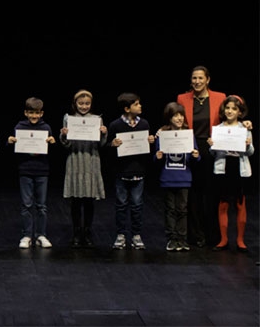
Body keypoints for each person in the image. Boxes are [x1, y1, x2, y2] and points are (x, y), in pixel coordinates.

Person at [176, 65, 253, 248]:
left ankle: (214, 235)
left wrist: (245, 125)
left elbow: (232, 116)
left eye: (201, 78)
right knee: (193, 194)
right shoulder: (182, 98)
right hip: (192, 147)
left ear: (208, 80)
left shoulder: (219, 97)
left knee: (212, 194)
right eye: (194, 78)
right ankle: (195, 235)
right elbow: (176, 119)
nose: (197, 82)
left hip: (214, 148)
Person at [58, 89, 107, 248]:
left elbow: (101, 144)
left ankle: (87, 232)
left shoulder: (96, 119)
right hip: (75, 160)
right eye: (81, 103)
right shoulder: (69, 119)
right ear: (75, 104)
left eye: (87, 103)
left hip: (91, 161)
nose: (84, 106)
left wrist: (104, 133)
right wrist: (64, 135)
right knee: (76, 200)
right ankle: (76, 232)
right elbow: (66, 144)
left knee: (89, 200)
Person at [107, 92, 155, 250]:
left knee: (137, 205)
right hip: (122, 172)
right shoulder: (115, 125)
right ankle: (121, 235)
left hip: (139, 171)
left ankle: (136, 235)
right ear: (127, 108)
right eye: (136, 104)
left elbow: (146, 150)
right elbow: (108, 149)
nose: (140, 106)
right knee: (121, 205)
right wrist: (112, 145)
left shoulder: (144, 124)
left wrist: (150, 142)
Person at [7, 97, 56, 249]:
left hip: (42, 170)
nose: (34, 116)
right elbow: (12, 147)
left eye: (37, 113)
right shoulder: (20, 126)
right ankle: (27, 235)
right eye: (31, 113)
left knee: (41, 206)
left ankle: (41, 235)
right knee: (26, 205)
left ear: (41, 113)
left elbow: (50, 151)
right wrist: (10, 142)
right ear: (25, 113)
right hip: (25, 170)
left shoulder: (46, 127)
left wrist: (52, 143)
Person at [208, 95, 254, 252]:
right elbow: (214, 154)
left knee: (240, 204)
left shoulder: (244, 129)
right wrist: (212, 145)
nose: (230, 111)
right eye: (227, 108)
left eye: (234, 109)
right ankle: (224, 240)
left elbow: (251, 152)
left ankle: (240, 240)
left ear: (240, 112)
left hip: (239, 169)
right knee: (223, 205)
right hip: (224, 168)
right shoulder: (219, 129)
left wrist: (248, 145)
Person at [153, 101, 199, 252]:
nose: (179, 118)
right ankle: (172, 239)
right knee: (170, 210)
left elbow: (196, 158)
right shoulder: (163, 135)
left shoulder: (188, 135)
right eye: (175, 116)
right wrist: (158, 156)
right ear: (169, 118)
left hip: (184, 178)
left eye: (181, 115)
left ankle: (182, 239)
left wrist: (196, 155)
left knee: (183, 210)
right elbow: (155, 159)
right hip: (168, 178)